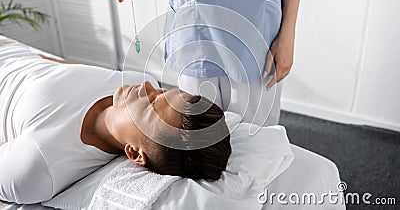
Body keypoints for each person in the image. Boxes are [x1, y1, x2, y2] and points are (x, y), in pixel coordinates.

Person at [0, 38, 231, 204]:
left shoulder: (39, 169)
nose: (147, 86)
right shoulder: (132, 81)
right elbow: (56, 67)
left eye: (151, 106)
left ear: (135, 154)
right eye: (162, 91)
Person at [104, 0, 311, 127]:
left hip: (258, 38)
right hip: (196, 36)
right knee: (201, 141)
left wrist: (288, 33)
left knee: (255, 141)